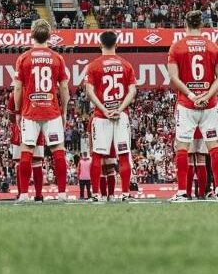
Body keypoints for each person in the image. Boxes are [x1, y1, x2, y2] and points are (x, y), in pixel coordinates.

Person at [168, 10, 218, 201]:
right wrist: (207, 95)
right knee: (214, 145)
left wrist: (192, 95)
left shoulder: (177, 47)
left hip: (187, 104)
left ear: (185, 24)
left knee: (182, 147)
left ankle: (181, 192)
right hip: (209, 105)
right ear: (201, 25)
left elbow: (173, 78)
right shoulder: (212, 46)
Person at [13, 19, 71, 202]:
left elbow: (17, 88)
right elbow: (64, 88)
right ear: (50, 35)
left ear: (31, 34)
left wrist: (17, 112)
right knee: (58, 150)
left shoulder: (23, 58)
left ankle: (23, 194)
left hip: (30, 111)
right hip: (51, 111)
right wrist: (64, 111)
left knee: (27, 150)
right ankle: (62, 193)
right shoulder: (57, 58)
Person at [84, 30, 136, 202]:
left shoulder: (94, 65)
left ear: (100, 44)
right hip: (121, 116)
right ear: (116, 44)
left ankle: (95, 194)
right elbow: (132, 91)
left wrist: (104, 110)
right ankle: (125, 193)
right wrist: (120, 109)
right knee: (124, 154)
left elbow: (89, 91)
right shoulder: (126, 65)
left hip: (101, 116)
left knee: (97, 155)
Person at [8, 90, 46, 200]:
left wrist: (18, 119)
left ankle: (22, 194)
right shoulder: (39, 91)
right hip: (37, 127)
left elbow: (11, 115)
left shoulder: (16, 92)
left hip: (20, 130)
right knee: (36, 162)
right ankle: (38, 195)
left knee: (21, 161)